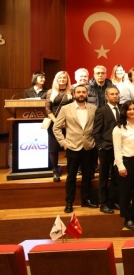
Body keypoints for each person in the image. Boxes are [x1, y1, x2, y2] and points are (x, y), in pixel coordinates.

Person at [54, 85, 98, 213]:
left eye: (83, 92)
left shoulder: (93, 108)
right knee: (71, 177)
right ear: (74, 94)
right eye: (78, 92)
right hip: (72, 147)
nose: (81, 94)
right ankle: (69, 202)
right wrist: (63, 142)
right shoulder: (65, 108)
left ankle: (86, 200)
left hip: (88, 147)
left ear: (87, 94)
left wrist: (95, 142)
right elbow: (56, 127)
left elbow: (96, 127)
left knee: (87, 176)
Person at [113, 100, 134, 230]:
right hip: (126, 161)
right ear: (124, 111)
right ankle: (127, 218)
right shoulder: (119, 128)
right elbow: (117, 148)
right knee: (125, 192)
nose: (132, 111)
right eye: (129, 109)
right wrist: (120, 166)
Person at [93, 86, 121, 214]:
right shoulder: (101, 111)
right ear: (106, 96)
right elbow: (96, 131)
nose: (115, 96)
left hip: (119, 149)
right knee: (103, 176)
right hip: (106, 148)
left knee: (116, 176)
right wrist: (101, 146)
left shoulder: (122, 109)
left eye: (116, 94)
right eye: (112, 94)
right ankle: (103, 203)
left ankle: (113, 201)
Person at [45, 71, 73, 182]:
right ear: (56, 79)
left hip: (69, 124)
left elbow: (74, 107)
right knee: (53, 148)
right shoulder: (50, 92)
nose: (62, 79)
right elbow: (48, 109)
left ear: (67, 80)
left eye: (64, 78)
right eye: (60, 78)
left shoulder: (71, 91)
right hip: (54, 122)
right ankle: (55, 170)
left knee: (70, 147)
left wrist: (67, 122)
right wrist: (57, 122)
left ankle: (71, 170)